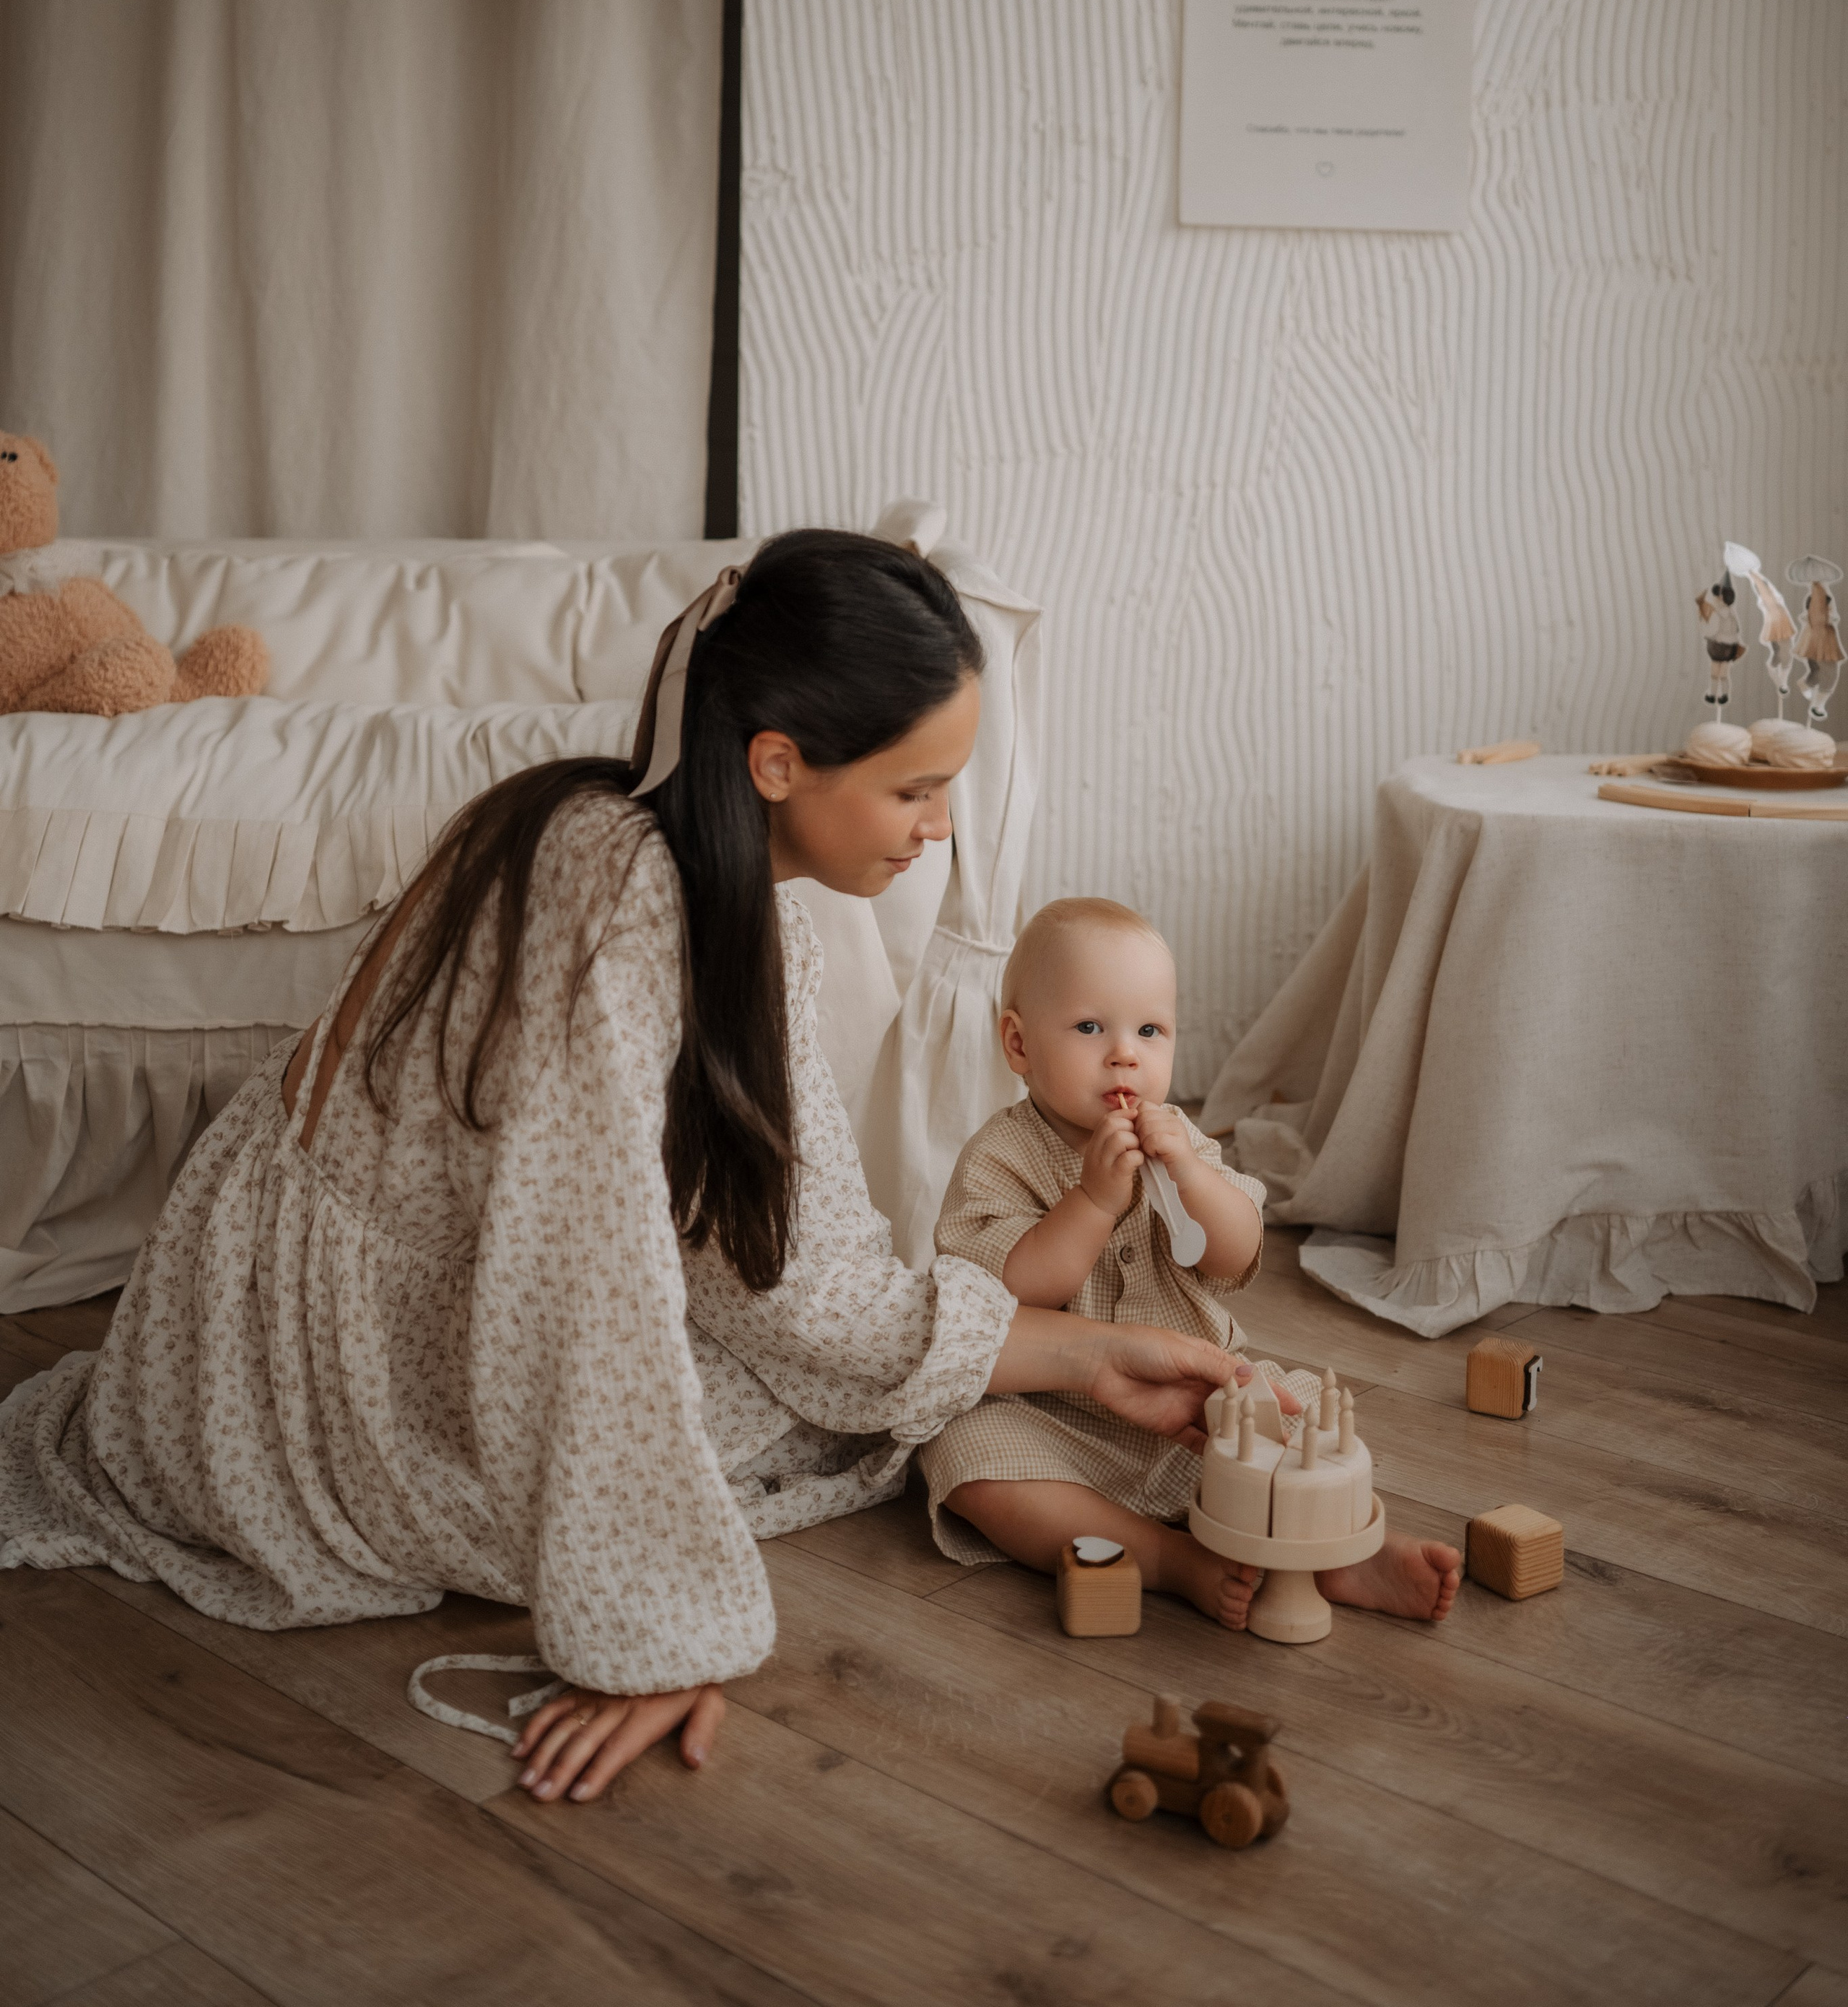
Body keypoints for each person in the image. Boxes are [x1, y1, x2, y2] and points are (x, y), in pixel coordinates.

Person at [0, 533, 1242, 1808]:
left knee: (823, 1370)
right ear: (779, 763)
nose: (938, 831)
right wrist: (644, 1627)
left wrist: (1087, 1355)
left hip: (315, 1267)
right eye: (916, 791)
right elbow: (575, 1277)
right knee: (789, 1414)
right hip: (304, 1357)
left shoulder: (688, 871)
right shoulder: (621, 902)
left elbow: (782, 1256)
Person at [921, 897, 1461, 1631]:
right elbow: (1009, 1294)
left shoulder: (1183, 1145)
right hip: (1048, 1421)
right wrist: (1091, 1202)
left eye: (1149, 1031)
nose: (1125, 1054)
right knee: (968, 1465)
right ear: (1017, 1045)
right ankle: (1166, 1561)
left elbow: (1237, 1257)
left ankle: (1337, 1556)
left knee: (1299, 1430)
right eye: (1090, 1028)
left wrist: (1192, 1178)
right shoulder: (999, 1158)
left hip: (1195, 1411)